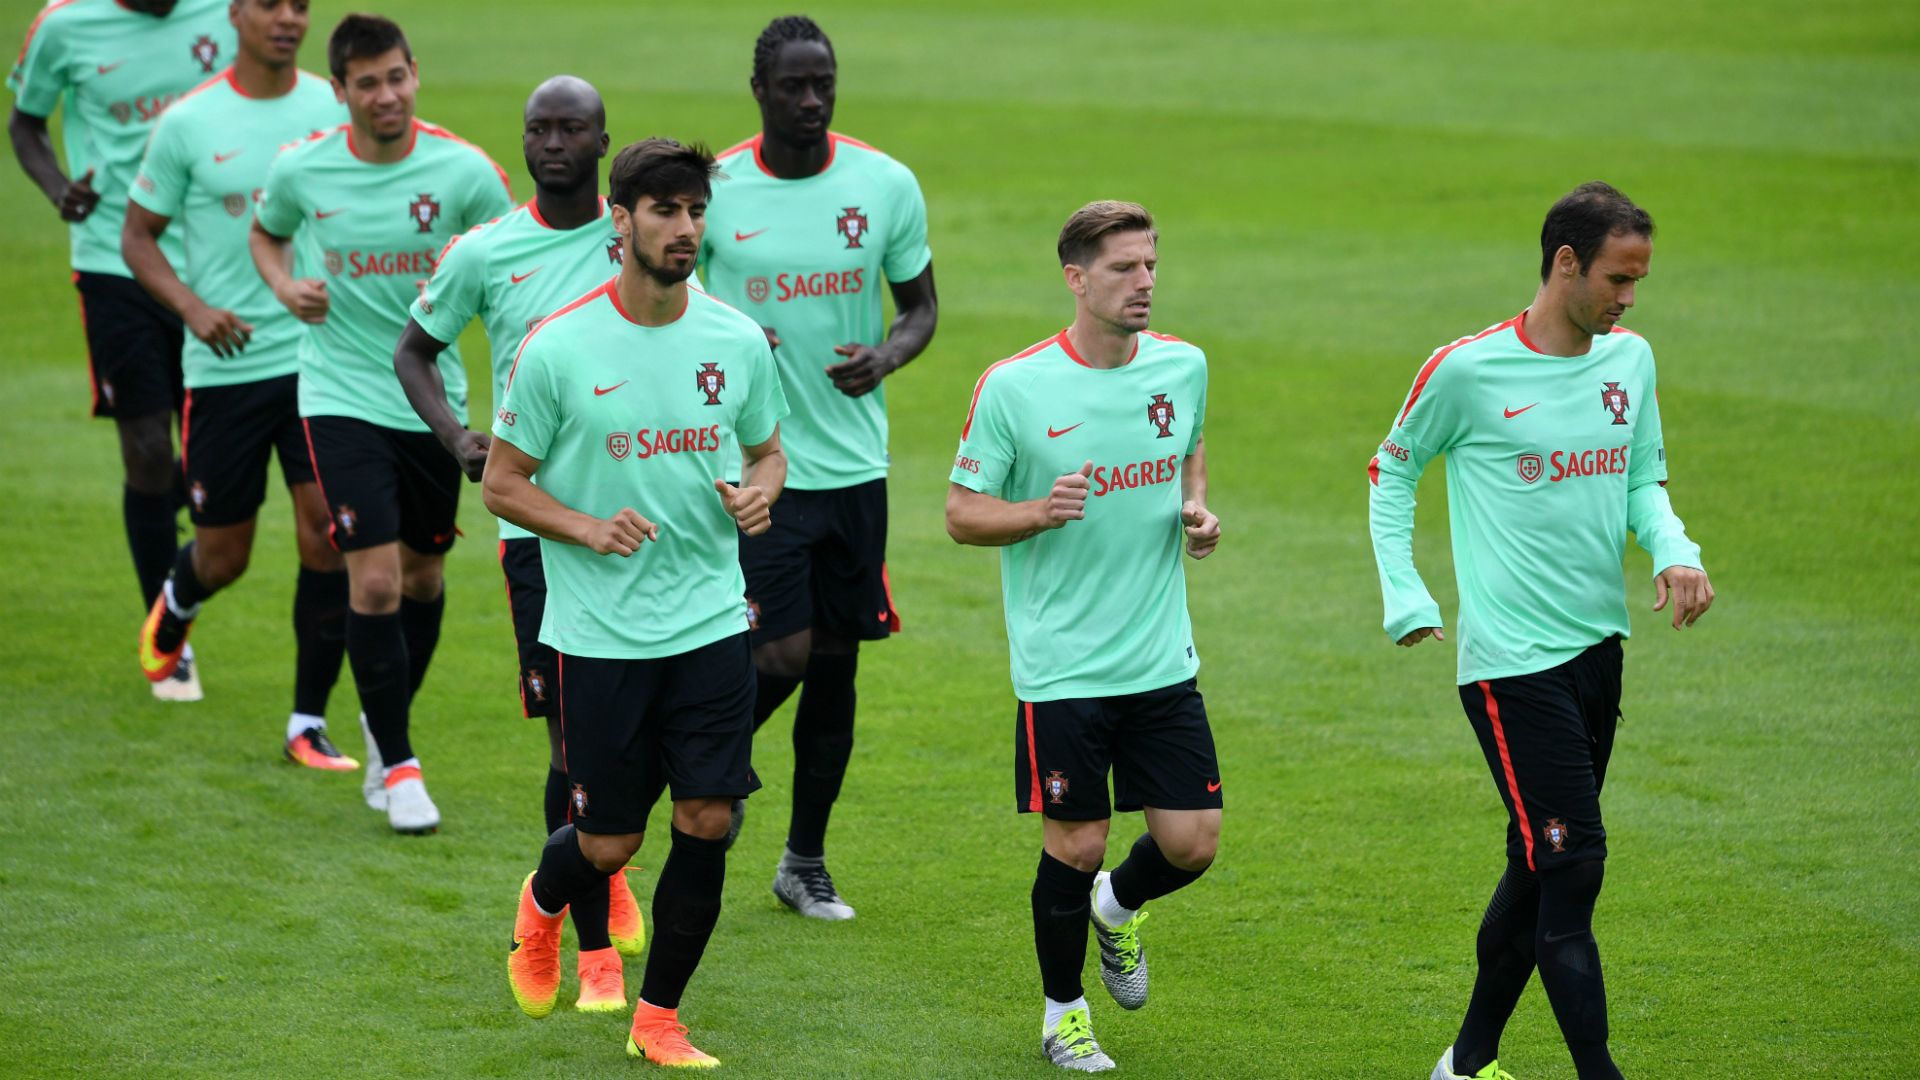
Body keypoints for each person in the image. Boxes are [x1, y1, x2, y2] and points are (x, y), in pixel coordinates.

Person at [1365, 181, 1715, 1080]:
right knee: (1574, 867)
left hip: (1598, 651)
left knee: (1539, 864)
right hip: (1512, 666)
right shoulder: (1466, 370)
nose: (1629, 298)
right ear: (1566, 263)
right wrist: (1406, 593)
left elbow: (1643, 481)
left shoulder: (1629, 361)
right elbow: (1391, 471)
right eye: (1617, 278)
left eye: (1637, 281)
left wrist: (1675, 552)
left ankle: (1465, 1062)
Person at [486, 137, 787, 1067]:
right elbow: (502, 483)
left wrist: (760, 494)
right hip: (600, 636)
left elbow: (767, 451)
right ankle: (542, 903)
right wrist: (583, 527)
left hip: (710, 621)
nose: (684, 228)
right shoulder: (559, 346)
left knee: (708, 819)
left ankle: (658, 1020)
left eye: (695, 211)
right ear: (620, 221)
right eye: (664, 211)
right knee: (609, 842)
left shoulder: (736, 340)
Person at [945, 201, 1223, 1073]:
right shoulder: (1014, 386)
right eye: (1123, 268)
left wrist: (1197, 511)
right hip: (1063, 665)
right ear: (1075, 277)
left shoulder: (1182, 366)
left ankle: (1116, 907)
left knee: (1192, 843)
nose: (1144, 282)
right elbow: (961, 513)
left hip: (1159, 655)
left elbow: (1189, 449)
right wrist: (1036, 512)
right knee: (1077, 843)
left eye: (1150, 265)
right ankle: (1063, 1014)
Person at [393, 74, 641, 1008]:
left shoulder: (637, 241)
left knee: (638, 734)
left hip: (643, 525)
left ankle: (600, 861)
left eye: (573, 128)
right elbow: (414, 349)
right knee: (571, 740)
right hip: (537, 530)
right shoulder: (487, 250)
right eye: (540, 129)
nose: (554, 143)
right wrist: (456, 435)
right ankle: (594, 952)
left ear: (603, 141)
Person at [247, 12, 513, 832]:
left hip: (432, 405)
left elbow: (512, 272)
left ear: (415, 73)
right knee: (374, 580)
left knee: (425, 577)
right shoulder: (302, 168)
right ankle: (400, 767)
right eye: (367, 83)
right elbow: (266, 234)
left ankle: (379, 717)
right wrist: (284, 287)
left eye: (396, 77)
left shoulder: (466, 172)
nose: (386, 95)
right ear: (340, 91)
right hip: (339, 395)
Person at [699, 14, 937, 920]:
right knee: (781, 651)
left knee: (835, 666)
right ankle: (707, 765)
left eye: (823, 84)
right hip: (760, 466)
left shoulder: (884, 185)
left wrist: (886, 355)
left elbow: (920, 307)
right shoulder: (716, 190)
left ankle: (804, 861)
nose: (811, 100)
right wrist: (728, 333)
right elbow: (667, 291)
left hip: (855, 466)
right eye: (794, 86)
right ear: (759, 90)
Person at [125, 0, 351, 764]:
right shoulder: (188, 123)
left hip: (320, 361)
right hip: (226, 368)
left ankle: (306, 723)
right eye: (269, 5)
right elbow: (137, 237)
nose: (287, 19)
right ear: (235, 14)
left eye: (300, 6)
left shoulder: (334, 108)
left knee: (327, 533)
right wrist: (192, 309)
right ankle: (179, 596)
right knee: (226, 555)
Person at [8, 0, 236, 701]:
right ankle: (168, 633)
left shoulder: (229, 12)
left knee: (220, 448)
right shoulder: (64, 25)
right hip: (113, 261)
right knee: (146, 448)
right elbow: (25, 121)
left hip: (214, 261)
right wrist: (58, 188)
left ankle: (180, 530)